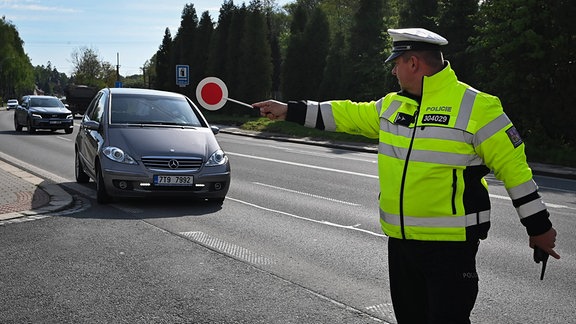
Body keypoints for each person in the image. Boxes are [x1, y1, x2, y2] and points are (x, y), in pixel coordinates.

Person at [252, 28, 560, 324]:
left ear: (413, 62)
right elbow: (344, 114)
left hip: (450, 249)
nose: (393, 72)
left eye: (396, 64)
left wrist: (539, 228)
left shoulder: (478, 107)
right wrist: (288, 110)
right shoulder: (391, 105)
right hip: (401, 245)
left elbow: (515, 171)